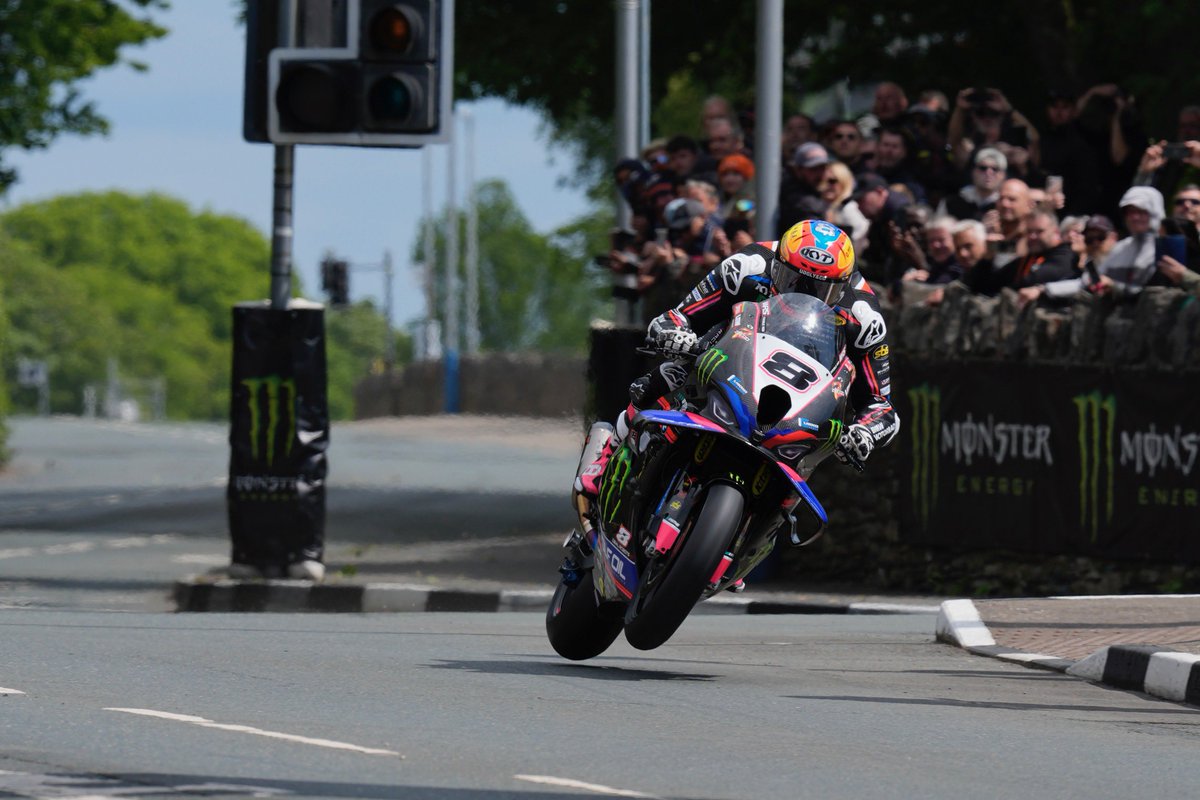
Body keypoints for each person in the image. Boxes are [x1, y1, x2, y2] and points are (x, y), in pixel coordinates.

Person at [576, 219, 900, 497]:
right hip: (729, 352)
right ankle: (610, 449)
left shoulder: (863, 317)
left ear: (842, 285)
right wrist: (675, 335)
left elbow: (881, 405)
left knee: (809, 455)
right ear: (778, 263)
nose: (804, 293)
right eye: (794, 279)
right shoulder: (747, 266)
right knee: (671, 373)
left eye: (820, 288)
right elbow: (679, 316)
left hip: (796, 398)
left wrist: (865, 432)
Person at [937, 147, 1005, 221]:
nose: (989, 173)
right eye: (983, 168)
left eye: (995, 169)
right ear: (973, 172)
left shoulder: (1006, 206)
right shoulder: (951, 202)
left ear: (1003, 175)